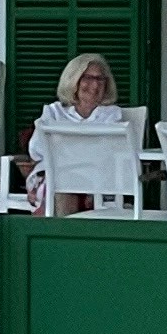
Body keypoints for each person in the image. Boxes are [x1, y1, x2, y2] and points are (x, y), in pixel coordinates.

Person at [24, 52, 133, 214]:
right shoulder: (54, 112)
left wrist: (64, 148)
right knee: (63, 183)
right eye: (87, 78)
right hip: (55, 176)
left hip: (97, 180)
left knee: (67, 183)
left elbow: (108, 153)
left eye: (100, 79)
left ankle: (58, 235)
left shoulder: (111, 115)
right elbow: (37, 150)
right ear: (73, 80)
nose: (95, 85)